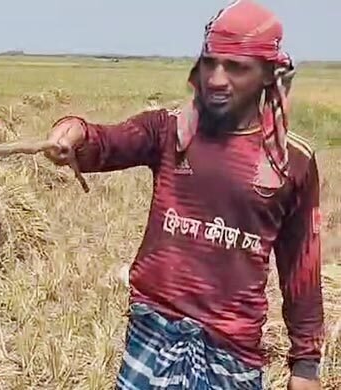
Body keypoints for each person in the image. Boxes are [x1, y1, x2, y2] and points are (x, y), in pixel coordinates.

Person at [44, 1, 323, 389]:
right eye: (210, 62)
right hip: (153, 338)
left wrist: (305, 364)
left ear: (268, 74)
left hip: (231, 355)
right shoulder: (169, 132)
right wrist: (71, 131)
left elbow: (301, 270)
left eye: (236, 67)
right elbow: (103, 142)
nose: (217, 79)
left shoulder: (290, 161)